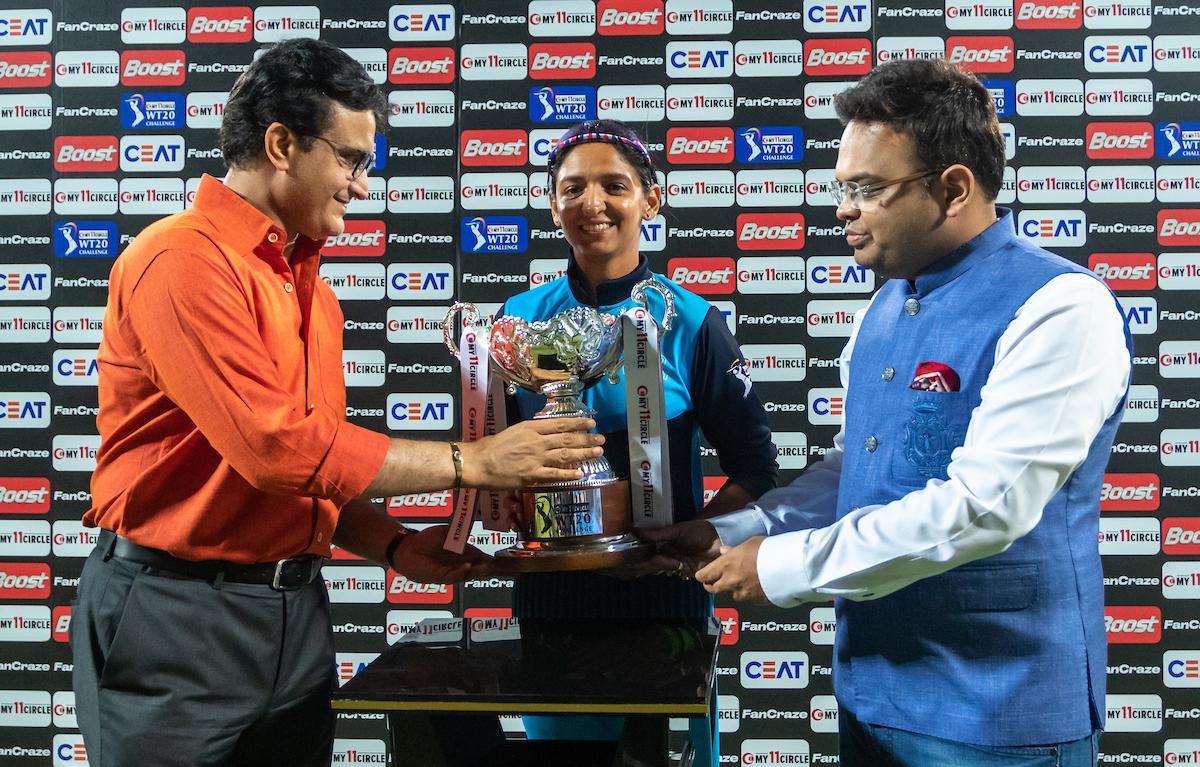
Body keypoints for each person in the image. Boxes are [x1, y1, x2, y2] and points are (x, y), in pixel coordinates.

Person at [72, 38, 602, 767]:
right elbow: (274, 448)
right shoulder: (180, 259)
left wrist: (393, 545)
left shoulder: (313, 293)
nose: (361, 184)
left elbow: (313, 467)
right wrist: (471, 462)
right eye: (350, 158)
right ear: (282, 143)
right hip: (174, 612)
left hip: (294, 612)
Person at [648, 58, 1131, 767]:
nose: (844, 209)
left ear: (954, 188)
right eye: (843, 188)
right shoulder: (883, 304)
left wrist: (780, 564)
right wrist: (732, 529)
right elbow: (857, 469)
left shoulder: (1061, 306)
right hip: (872, 695)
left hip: (999, 713)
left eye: (868, 189)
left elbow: (983, 507)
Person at [498, 119, 779, 764]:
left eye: (613, 186)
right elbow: (498, 459)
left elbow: (756, 465)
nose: (591, 204)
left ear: (651, 200)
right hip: (554, 596)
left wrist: (691, 539)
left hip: (663, 602)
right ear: (552, 205)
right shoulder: (516, 324)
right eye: (573, 188)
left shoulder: (692, 322)